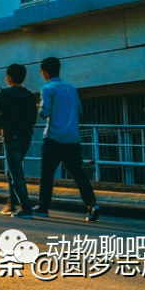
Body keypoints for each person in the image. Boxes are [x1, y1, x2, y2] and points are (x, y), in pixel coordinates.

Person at [35, 57, 100, 221]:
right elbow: (79, 109)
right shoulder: (71, 88)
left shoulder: (47, 88)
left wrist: (37, 107)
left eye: (41, 72)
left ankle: (43, 207)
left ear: (45, 72)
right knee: (78, 173)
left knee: (47, 174)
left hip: (54, 137)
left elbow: (45, 113)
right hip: (72, 137)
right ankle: (92, 204)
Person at [0, 63, 38, 219]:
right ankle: (12, 204)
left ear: (9, 78)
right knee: (13, 170)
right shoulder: (29, 95)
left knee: (16, 172)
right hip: (25, 137)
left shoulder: (5, 94)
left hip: (11, 136)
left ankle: (26, 208)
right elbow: (33, 117)